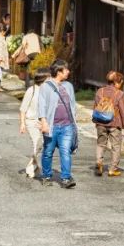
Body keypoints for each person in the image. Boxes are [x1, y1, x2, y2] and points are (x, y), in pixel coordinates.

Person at [37, 60, 78, 189]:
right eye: (66, 70)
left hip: (67, 126)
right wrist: (43, 122)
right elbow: (41, 105)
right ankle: (46, 175)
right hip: (52, 126)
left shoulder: (69, 86)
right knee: (48, 151)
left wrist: (74, 122)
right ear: (59, 72)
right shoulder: (46, 86)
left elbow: (72, 105)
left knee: (65, 151)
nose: (68, 71)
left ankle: (66, 178)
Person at [93, 71, 124, 177]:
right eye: (121, 82)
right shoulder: (119, 93)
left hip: (100, 122)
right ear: (117, 82)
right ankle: (112, 169)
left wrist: (95, 121)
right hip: (114, 123)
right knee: (116, 146)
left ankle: (99, 162)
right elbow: (123, 111)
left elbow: (95, 106)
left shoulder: (100, 91)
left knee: (101, 144)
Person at [19, 70, 50, 179]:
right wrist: (22, 123)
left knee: (41, 145)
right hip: (31, 121)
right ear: (43, 80)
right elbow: (23, 108)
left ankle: (31, 166)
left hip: (43, 122)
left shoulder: (48, 91)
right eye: (48, 78)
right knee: (37, 143)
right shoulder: (31, 91)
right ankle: (39, 167)